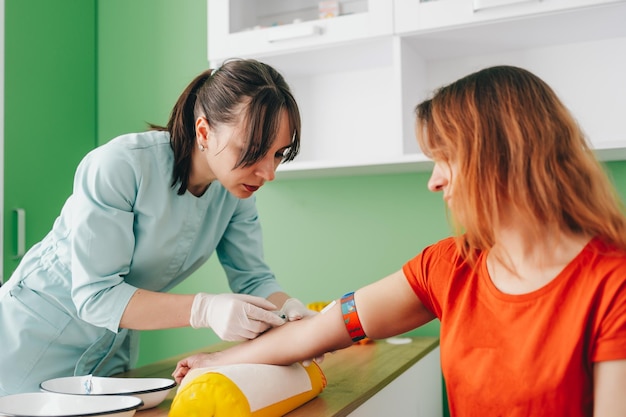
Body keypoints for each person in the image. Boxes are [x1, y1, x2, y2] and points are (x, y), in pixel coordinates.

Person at [172, 65, 626, 416]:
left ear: (503, 154)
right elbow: (324, 329)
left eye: (444, 158)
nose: (434, 181)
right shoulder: (449, 266)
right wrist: (221, 362)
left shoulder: (612, 284)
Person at [0, 58, 316, 396]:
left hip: (110, 352)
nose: (269, 173)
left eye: (279, 154)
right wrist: (204, 309)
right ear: (204, 132)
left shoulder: (235, 195)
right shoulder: (121, 166)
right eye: (253, 152)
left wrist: (292, 313)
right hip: (33, 339)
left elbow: (253, 278)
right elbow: (95, 295)